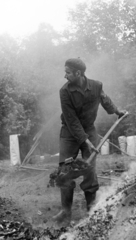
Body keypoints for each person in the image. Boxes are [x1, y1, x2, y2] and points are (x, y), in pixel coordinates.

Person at [53, 58, 126, 223]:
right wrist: (85, 140)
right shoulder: (64, 91)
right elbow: (71, 120)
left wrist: (116, 111)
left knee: (90, 170)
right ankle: (66, 211)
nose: (65, 76)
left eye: (68, 72)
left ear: (78, 73)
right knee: (64, 170)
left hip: (89, 130)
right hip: (69, 132)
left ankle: (91, 210)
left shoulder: (96, 86)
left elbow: (105, 100)